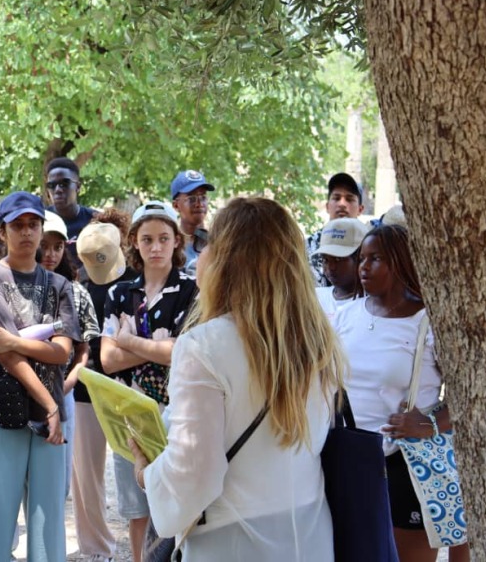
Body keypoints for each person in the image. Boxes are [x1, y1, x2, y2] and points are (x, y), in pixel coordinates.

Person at [128, 197, 341, 561]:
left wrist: (147, 474)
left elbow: (196, 472)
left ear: (226, 259)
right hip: (309, 530)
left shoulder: (203, 346)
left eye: (208, 243)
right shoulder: (316, 339)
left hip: (233, 539)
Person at [333, 224, 469, 562]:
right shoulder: (344, 315)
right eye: (361, 258)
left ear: (400, 261)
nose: (363, 267)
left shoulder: (429, 322)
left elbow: (469, 395)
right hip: (349, 459)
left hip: (406, 466)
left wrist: (430, 423)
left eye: (375, 258)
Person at [0, 191, 80, 562]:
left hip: (49, 410)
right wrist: (50, 405)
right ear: (1, 231)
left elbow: (63, 351)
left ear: (42, 229)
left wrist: (14, 339)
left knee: (47, 521)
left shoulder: (60, 286)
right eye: (17, 225)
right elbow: (5, 354)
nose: (26, 233)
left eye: (33, 224)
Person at [100, 201, 197, 562]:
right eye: (147, 239)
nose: (155, 247)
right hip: (127, 414)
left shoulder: (192, 290)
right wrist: (157, 346)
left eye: (163, 238)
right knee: (136, 506)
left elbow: (183, 352)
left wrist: (127, 341)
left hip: (177, 413)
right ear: (134, 243)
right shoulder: (119, 293)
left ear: (177, 241)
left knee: (172, 500)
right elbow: (108, 361)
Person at [71, 209, 134, 562]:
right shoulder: (77, 288)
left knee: (141, 466)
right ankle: (95, 548)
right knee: (87, 476)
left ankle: (149, 539)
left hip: (130, 389)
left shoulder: (139, 282)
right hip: (85, 389)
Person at [40, 211, 100, 498]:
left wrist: (67, 385)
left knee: (57, 483)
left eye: (58, 246)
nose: (50, 253)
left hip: (62, 390)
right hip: (19, 389)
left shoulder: (77, 293)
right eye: (44, 245)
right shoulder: (14, 285)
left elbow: (83, 350)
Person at [306, 172, 365, 286]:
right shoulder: (308, 246)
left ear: (360, 209)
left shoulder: (369, 244)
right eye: (336, 198)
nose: (342, 204)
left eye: (349, 199)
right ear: (327, 206)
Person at [44, 157, 99, 267]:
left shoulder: (96, 221)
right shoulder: (40, 221)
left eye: (64, 183)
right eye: (51, 185)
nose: (58, 190)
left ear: (78, 187)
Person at [312, 217, 369, 322]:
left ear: (361, 259)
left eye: (338, 259)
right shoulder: (314, 297)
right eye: (325, 260)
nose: (330, 267)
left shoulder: (372, 306)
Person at [170, 170, 215, 276]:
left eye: (203, 197)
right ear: (176, 205)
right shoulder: (170, 244)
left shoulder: (217, 243)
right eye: (192, 199)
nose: (199, 204)